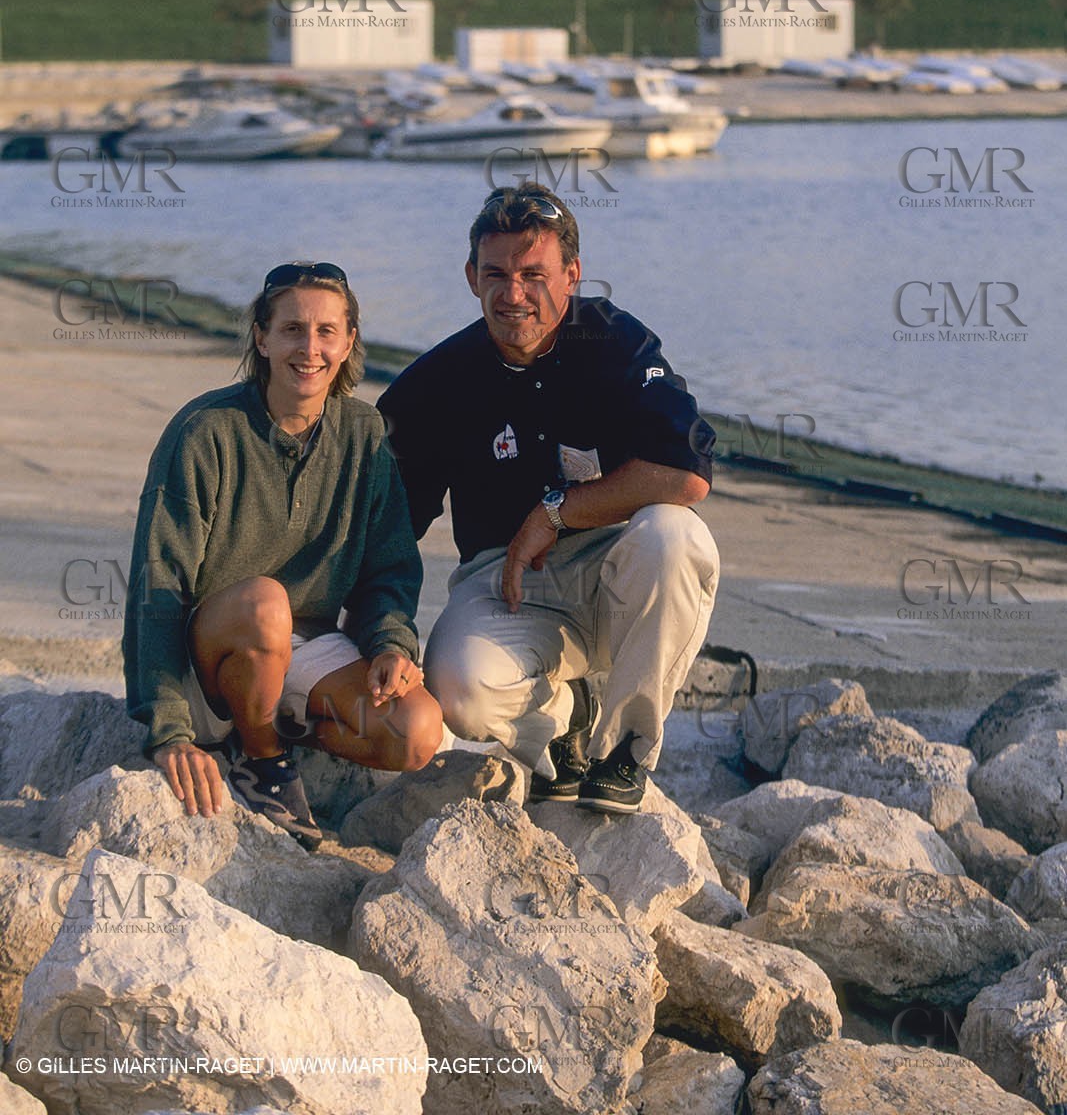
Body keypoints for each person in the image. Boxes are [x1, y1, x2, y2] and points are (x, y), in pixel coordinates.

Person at [379, 186, 719, 814]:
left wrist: (556, 513)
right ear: (470, 277)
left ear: (572, 274)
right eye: (497, 274)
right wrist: (377, 636)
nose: (513, 294)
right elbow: (384, 527)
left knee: (677, 536)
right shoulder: (436, 382)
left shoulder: (619, 344)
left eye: (534, 274)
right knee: (457, 688)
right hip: (507, 585)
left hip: (619, 572)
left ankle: (625, 752)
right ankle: (565, 724)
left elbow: (688, 474)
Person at [123, 261, 442, 850]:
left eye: (327, 332)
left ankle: (272, 725)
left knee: (418, 732)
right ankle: (262, 760)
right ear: (261, 337)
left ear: (348, 343)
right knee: (268, 603)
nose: (310, 348)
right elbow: (158, 578)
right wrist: (168, 729)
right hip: (211, 659)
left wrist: (390, 645)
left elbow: (389, 570)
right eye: (292, 329)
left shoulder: (364, 434)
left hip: (302, 647)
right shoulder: (206, 430)